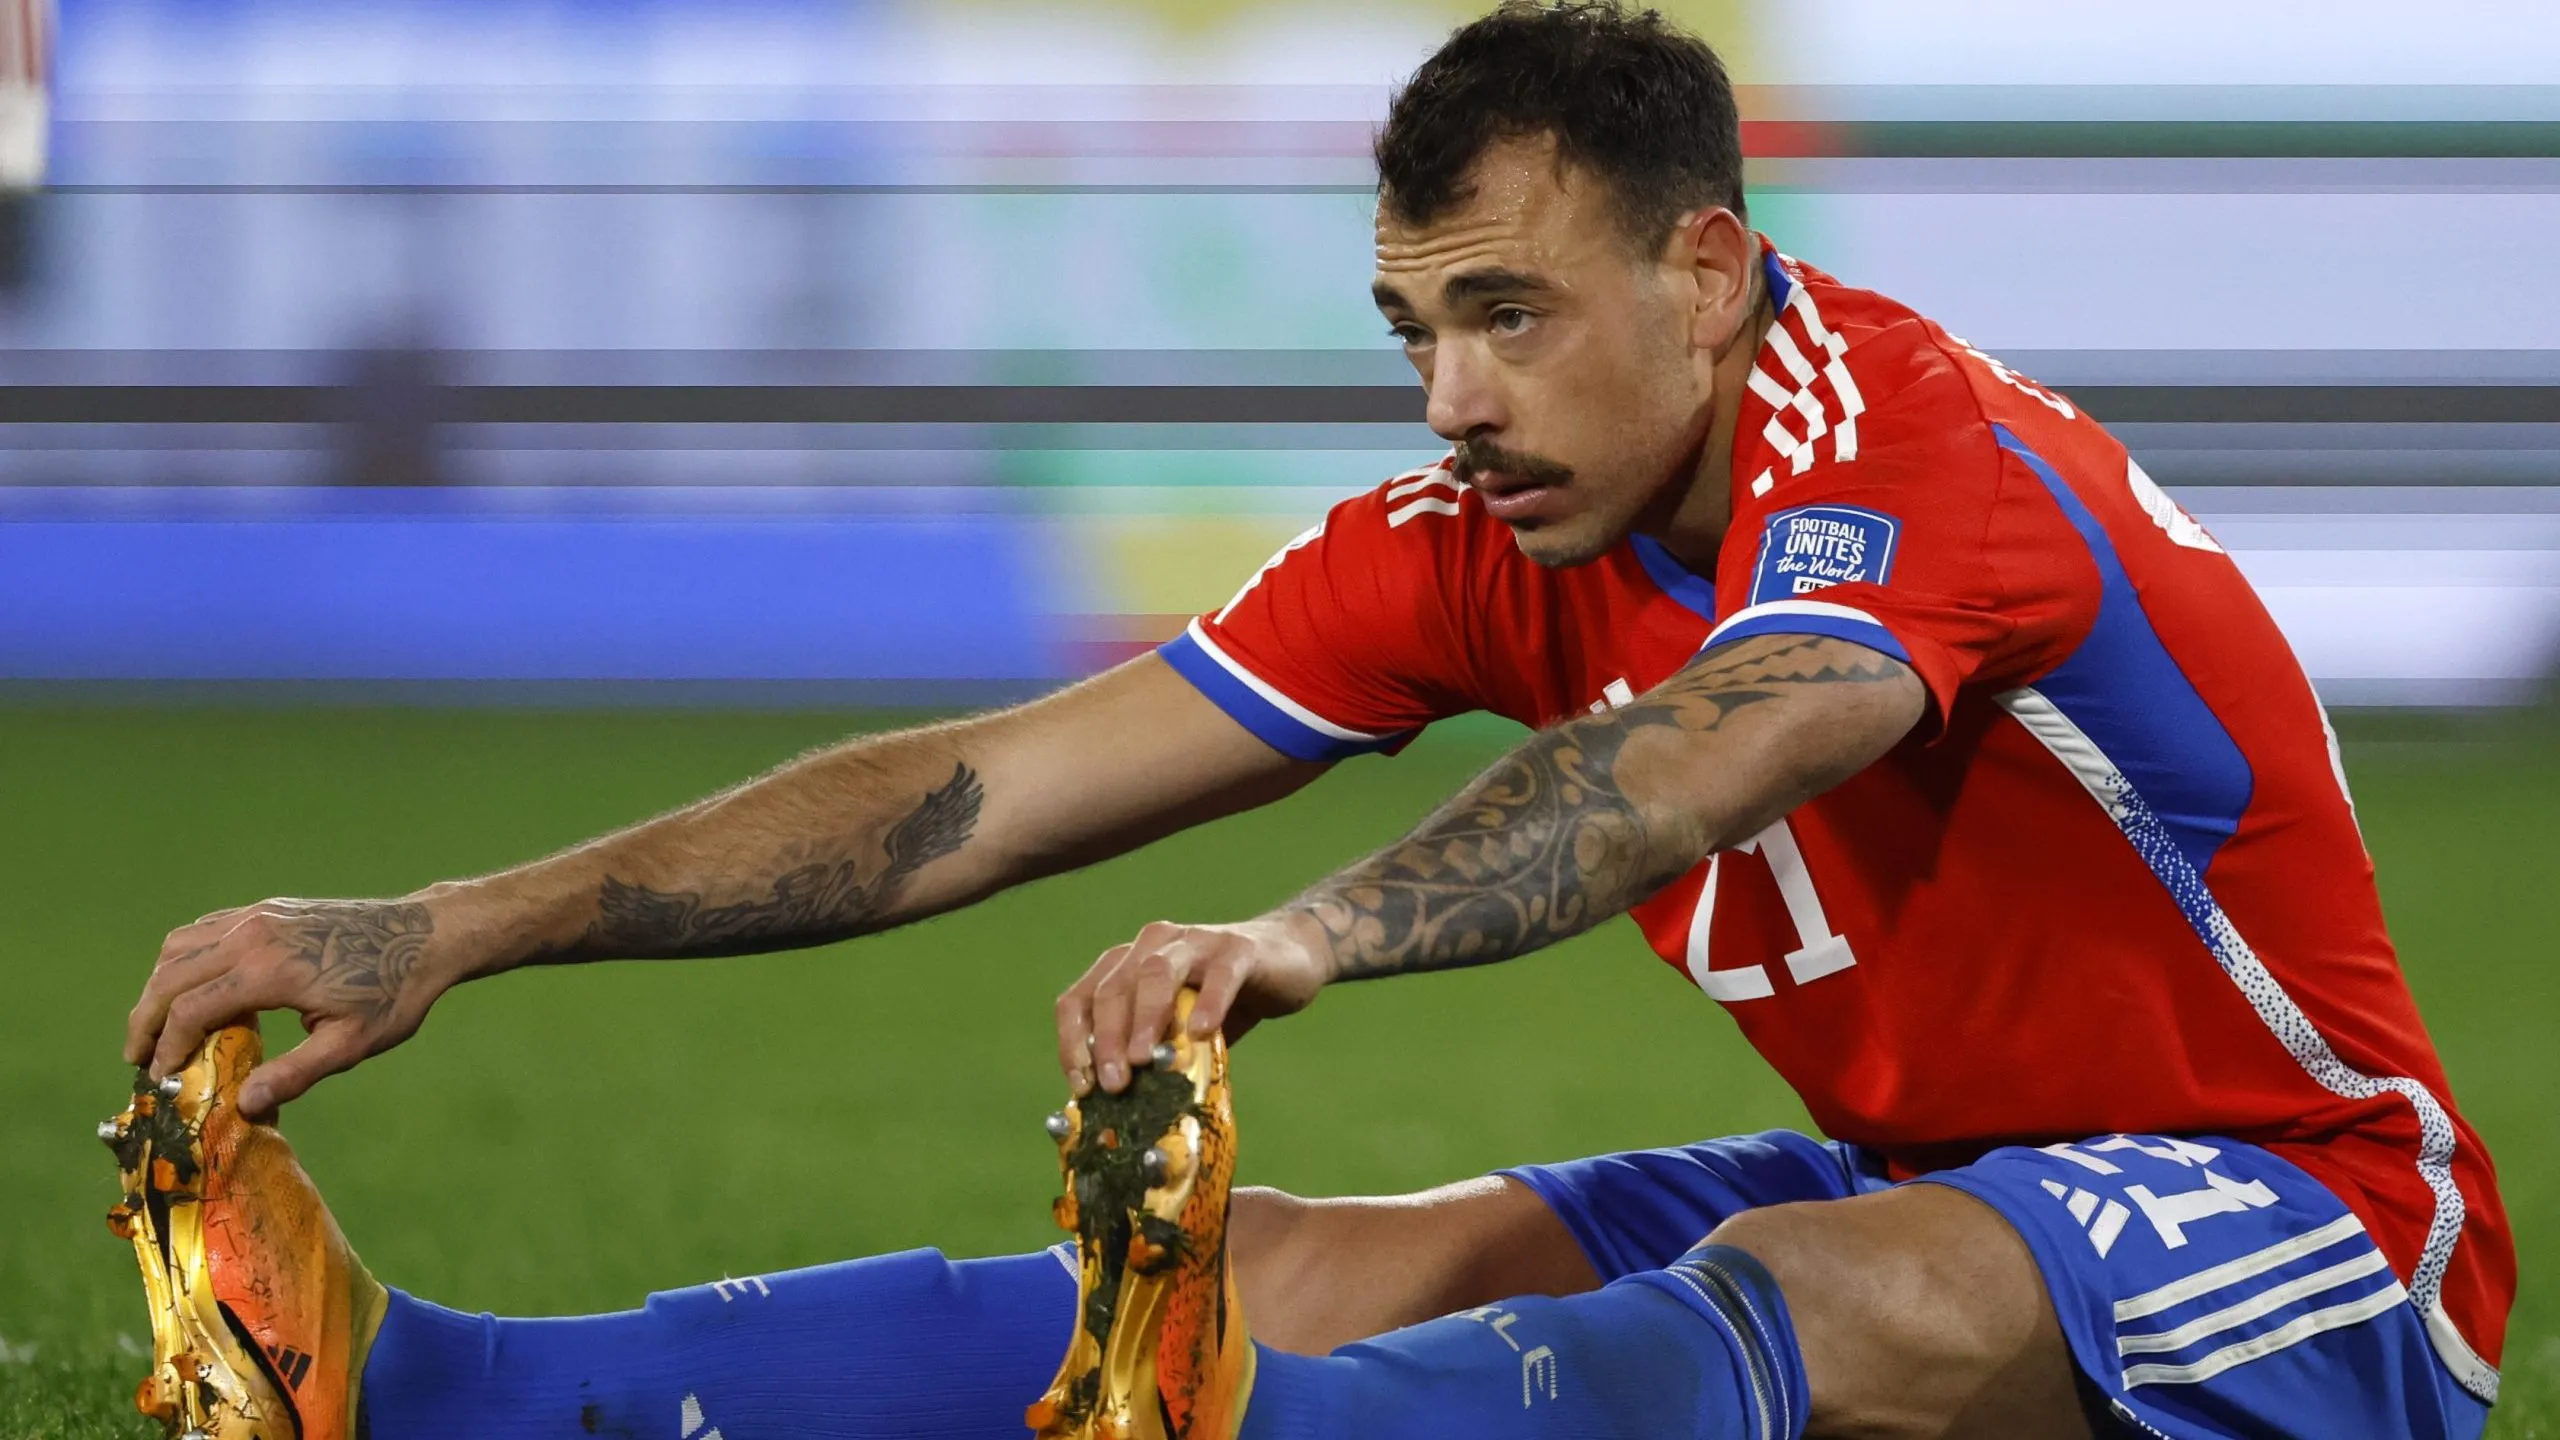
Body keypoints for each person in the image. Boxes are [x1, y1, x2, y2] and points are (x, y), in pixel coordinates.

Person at [110, 4, 2512, 1438]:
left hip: (2307, 1226)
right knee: (1272, 1267)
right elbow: (978, 795)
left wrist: (1307, 938)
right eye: (1410, 331)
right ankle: (423, 1389)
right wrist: (454, 919)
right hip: (1949, 1177)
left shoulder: (1900, 451)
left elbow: (1710, 746)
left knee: (1833, 1302)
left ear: (1701, 268)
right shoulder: (1479, 529)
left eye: (1505, 313)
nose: (1453, 397)